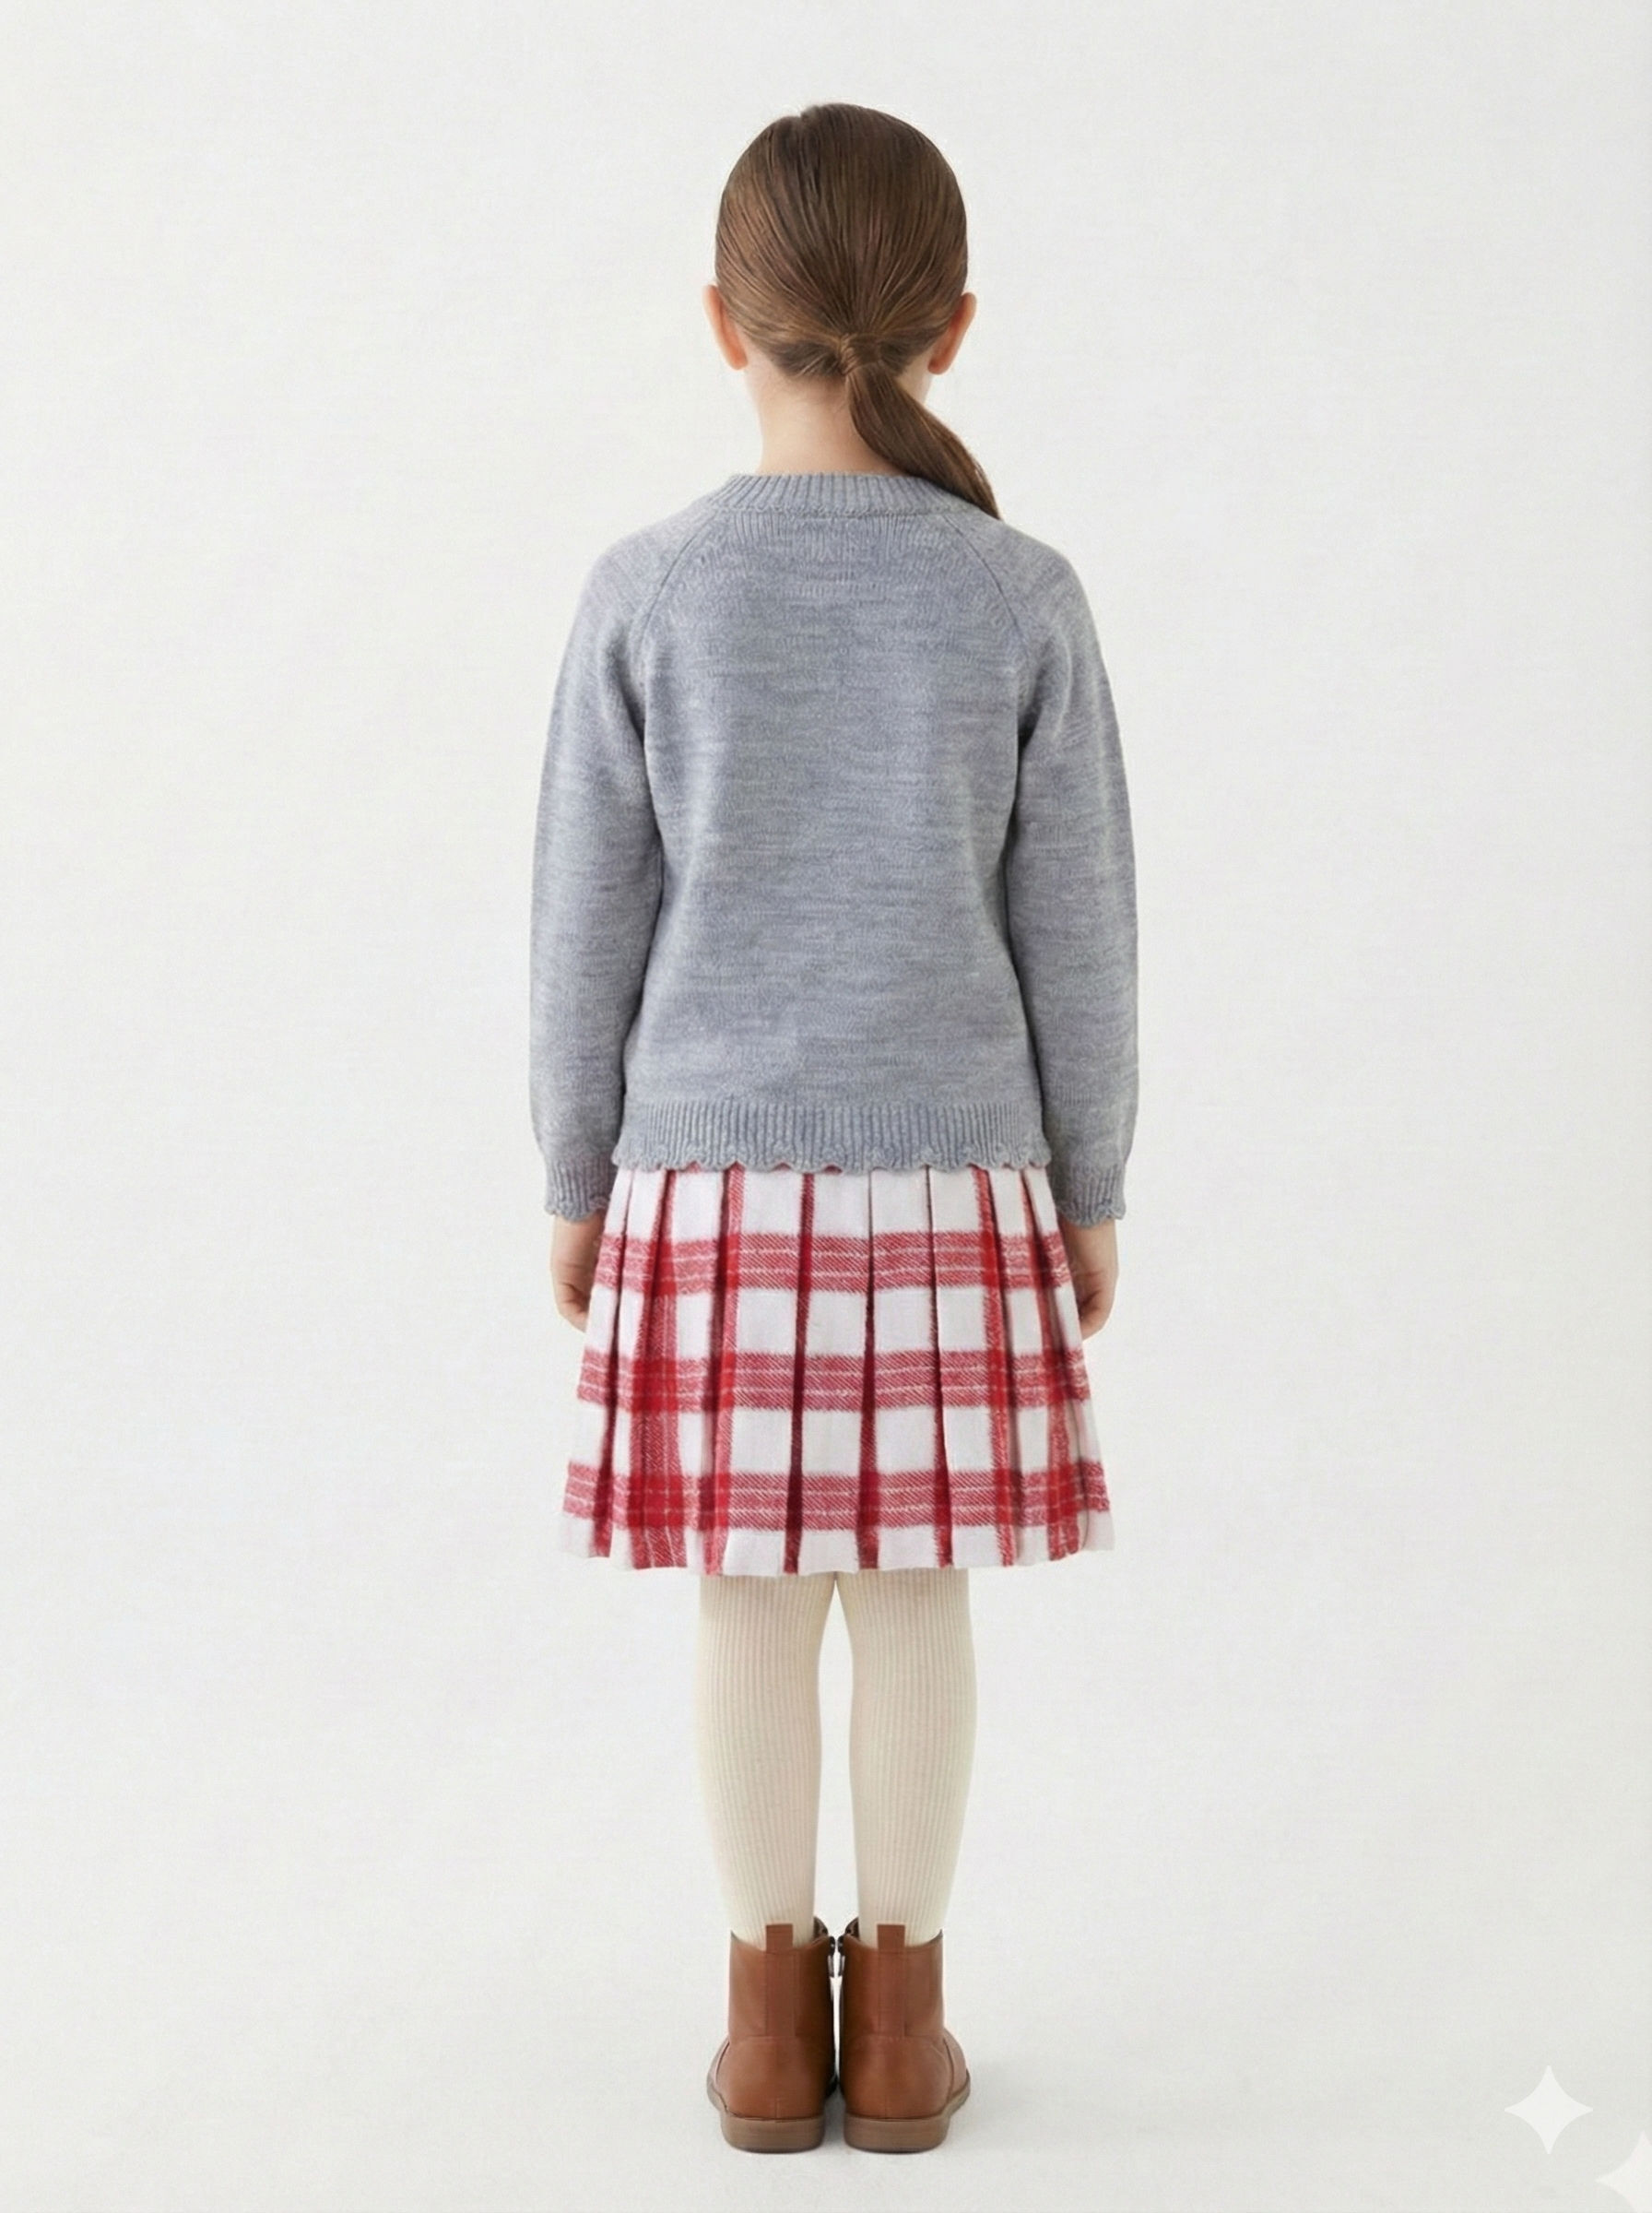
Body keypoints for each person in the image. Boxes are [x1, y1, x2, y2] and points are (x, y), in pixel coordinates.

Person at [528, 101, 1138, 2155]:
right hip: (956, 1169)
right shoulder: (1017, 594)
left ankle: (768, 2037)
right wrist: (1090, 1179)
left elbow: (582, 920)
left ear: (723, 320)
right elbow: (1079, 926)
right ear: (950, 327)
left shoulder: (648, 591)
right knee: (914, 1596)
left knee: (749, 1599)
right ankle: (902, 2036)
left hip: (703, 1177)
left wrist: (574, 1174)